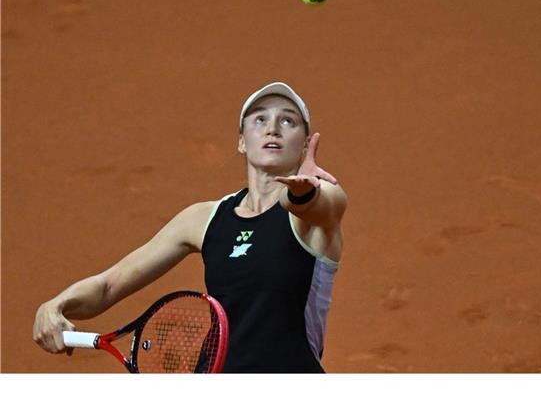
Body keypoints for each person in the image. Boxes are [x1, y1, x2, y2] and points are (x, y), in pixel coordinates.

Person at [32, 82, 347, 373]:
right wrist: (57, 304)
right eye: (259, 120)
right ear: (241, 141)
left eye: (288, 121)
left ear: (305, 146)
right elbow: (108, 286)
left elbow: (316, 205)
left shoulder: (322, 201)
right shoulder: (204, 219)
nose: (273, 129)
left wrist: (304, 192)